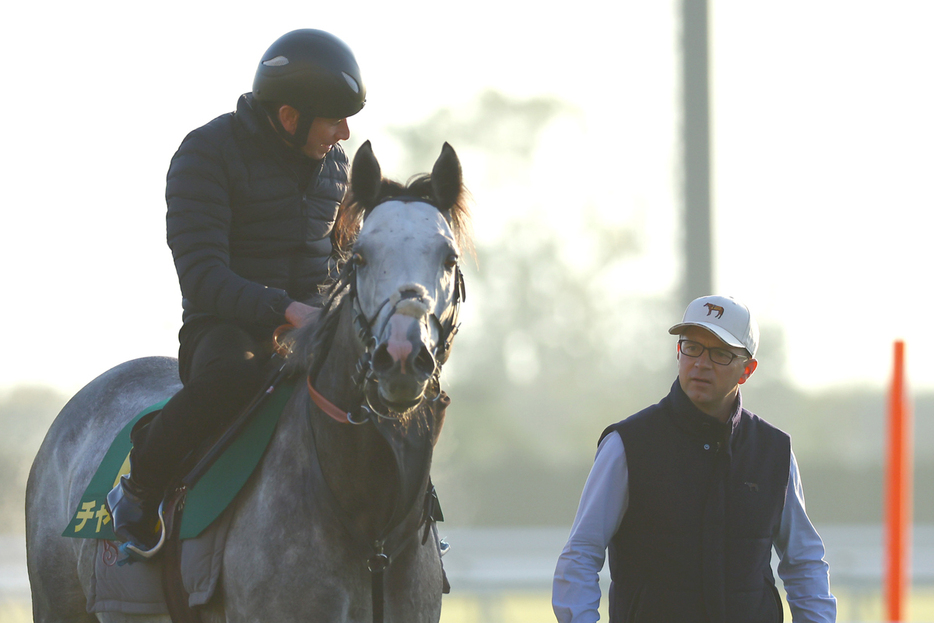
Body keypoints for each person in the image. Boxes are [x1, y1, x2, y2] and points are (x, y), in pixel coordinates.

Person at [106, 28, 366, 555]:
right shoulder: (205, 153)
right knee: (234, 373)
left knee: (389, 379)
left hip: (312, 328)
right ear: (290, 117)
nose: (344, 131)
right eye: (334, 118)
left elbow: (338, 258)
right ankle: (138, 490)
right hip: (223, 329)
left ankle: (403, 520)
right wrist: (286, 310)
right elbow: (202, 275)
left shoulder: (337, 165)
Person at [553, 295, 836, 623]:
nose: (701, 363)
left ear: (747, 369)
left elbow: (804, 563)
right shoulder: (626, 445)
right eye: (692, 347)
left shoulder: (774, 452)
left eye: (719, 353)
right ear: (678, 352)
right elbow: (581, 556)